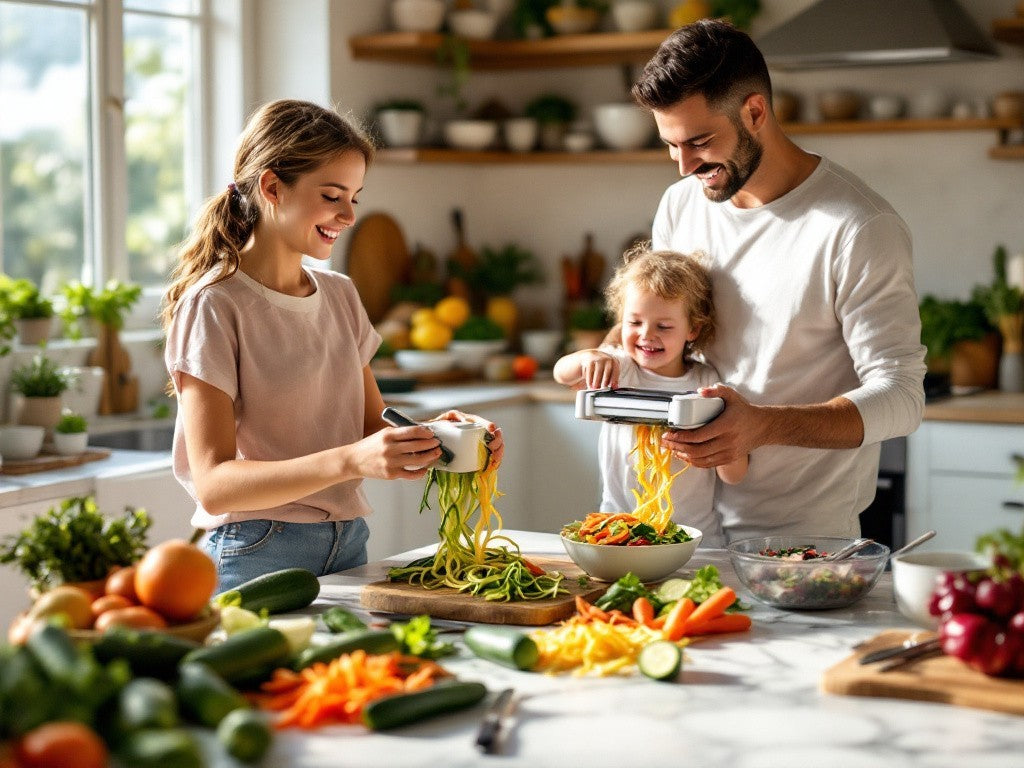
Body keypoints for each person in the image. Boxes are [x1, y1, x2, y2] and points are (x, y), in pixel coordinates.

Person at [161, 99, 503, 591]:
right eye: (332, 195)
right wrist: (351, 460)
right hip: (257, 550)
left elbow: (372, 427)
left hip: (349, 541)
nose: (348, 215)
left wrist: (447, 438)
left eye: (355, 198)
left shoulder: (340, 294)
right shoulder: (215, 304)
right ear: (272, 187)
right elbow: (214, 485)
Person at [627, 19, 926, 541]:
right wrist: (611, 351)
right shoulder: (681, 205)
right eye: (671, 145)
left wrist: (763, 425)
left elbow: (902, 396)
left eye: (699, 142)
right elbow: (665, 327)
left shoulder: (858, 227)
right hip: (681, 526)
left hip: (801, 540)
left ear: (755, 112)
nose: (683, 166)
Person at [554, 244, 747, 547]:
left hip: (694, 539)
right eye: (634, 322)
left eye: (664, 326)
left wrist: (723, 446)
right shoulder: (620, 367)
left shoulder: (706, 383)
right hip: (617, 532)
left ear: (693, 329)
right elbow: (562, 373)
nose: (646, 334)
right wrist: (590, 356)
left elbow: (734, 475)